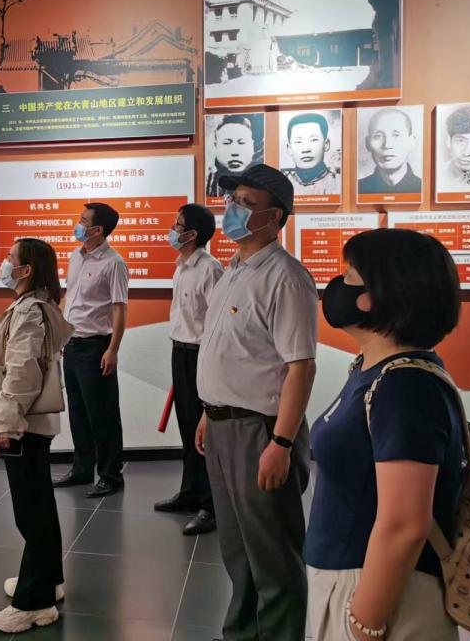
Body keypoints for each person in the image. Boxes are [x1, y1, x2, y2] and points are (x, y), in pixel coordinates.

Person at [306, 228, 464, 641]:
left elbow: (405, 524)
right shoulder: (375, 370)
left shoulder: (405, 388)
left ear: (378, 297)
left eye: (349, 276)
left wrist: (365, 621)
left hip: (380, 591)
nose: (337, 286)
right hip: (346, 576)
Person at [195, 163, 318, 641]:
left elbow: (300, 368)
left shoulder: (286, 278)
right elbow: (228, 350)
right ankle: (242, 634)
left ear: (275, 218)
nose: (233, 209)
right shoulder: (233, 271)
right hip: (222, 426)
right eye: (233, 200)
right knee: (238, 551)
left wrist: (281, 443)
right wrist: (208, 413)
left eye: (247, 203)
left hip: (260, 432)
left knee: (273, 555)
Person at [0, 238, 75, 634]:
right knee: (40, 505)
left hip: (25, 426)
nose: (4, 263)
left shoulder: (30, 311)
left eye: (10, 259)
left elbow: (21, 374)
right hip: (32, 425)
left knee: (31, 513)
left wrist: (5, 426)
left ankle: (35, 602)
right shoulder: (37, 305)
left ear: (26, 269)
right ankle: (49, 579)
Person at [155, 203, 223, 535]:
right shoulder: (181, 267)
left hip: (201, 355)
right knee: (186, 426)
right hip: (180, 351)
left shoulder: (211, 270)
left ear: (192, 234)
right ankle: (190, 492)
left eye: (177, 225)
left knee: (204, 432)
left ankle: (211, 505)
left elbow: (217, 324)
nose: (172, 229)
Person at [53, 203, 128, 498]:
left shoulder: (114, 263)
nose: (78, 224)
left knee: (103, 414)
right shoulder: (76, 256)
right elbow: (69, 297)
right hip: (72, 344)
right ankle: (83, 468)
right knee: (78, 412)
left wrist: (113, 350)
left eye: (83, 221)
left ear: (98, 230)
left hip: (96, 347)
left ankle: (110, 475)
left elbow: (119, 309)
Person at [358, 108, 422, 195]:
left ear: (411, 142)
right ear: (367, 143)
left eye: (396, 135)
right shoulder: (358, 189)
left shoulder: (423, 189)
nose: (387, 145)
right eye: (378, 136)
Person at [281, 113, 341, 197]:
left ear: (326, 144)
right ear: (289, 148)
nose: (306, 149)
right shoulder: (280, 183)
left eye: (313, 140)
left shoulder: (338, 182)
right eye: (298, 142)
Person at [205, 115, 256, 198]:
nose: (235, 152)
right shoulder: (210, 181)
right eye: (227, 143)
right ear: (215, 145)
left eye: (242, 142)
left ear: (252, 145)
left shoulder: (260, 181)